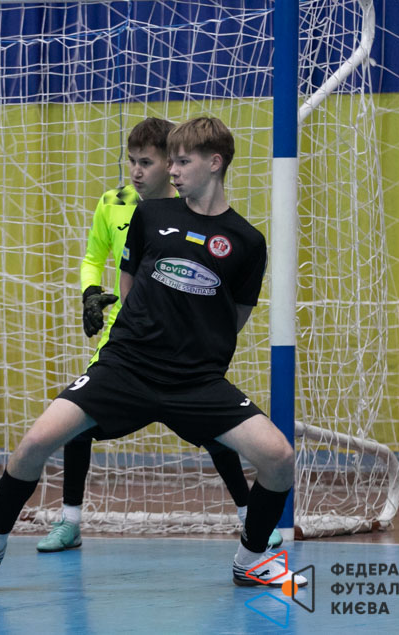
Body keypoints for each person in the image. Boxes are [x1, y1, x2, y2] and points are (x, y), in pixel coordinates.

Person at [0, 117, 306, 590]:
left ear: (215, 163)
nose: (172, 170)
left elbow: (235, 316)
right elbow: (129, 286)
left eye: (182, 161)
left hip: (196, 381)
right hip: (126, 368)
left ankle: (250, 560)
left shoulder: (247, 241)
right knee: (33, 444)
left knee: (278, 457)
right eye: (170, 161)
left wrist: (192, 347)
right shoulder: (149, 215)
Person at [36, 117, 282, 553]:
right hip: (126, 339)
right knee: (75, 421)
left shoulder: (196, 211)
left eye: (146, 163)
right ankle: (69, 520)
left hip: (184, 346)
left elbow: (231, 306)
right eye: (131, 161)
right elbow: (95, 257)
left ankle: (248, 513)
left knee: (216, 434)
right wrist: (90, 293)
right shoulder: (115, 202)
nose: (136, 172)